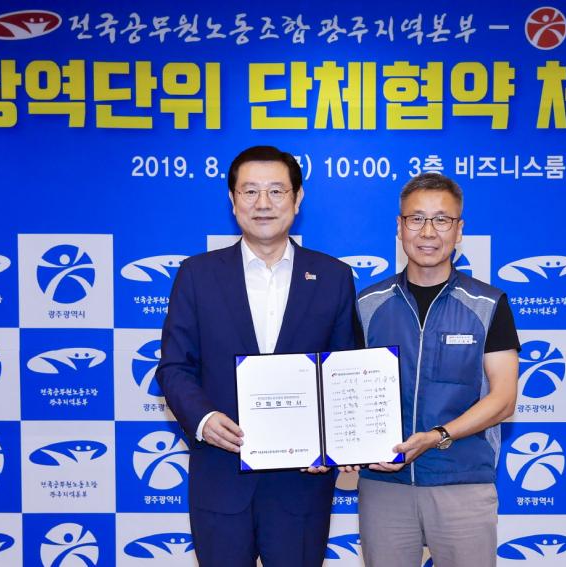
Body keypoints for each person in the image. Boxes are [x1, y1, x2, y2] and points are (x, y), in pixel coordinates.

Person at [156, 145, 359, 567]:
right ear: (233, 201)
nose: (263, 203)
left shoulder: (333, 276)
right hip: (221, 474)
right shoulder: (197, 275)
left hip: (301, 483)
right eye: (250, 192)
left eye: (276, 191)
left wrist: (333, 444)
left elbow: (345, 372)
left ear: (297, 199)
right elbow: (174, 367)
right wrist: (204, 420)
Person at [355, 173, 520, 567]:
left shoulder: (488, 304)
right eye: (416, 219)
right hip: (385, 483)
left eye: (441, 220)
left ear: (459, 230)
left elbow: (503, 399)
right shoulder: (367, 304)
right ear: (399, 227)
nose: (428, 232)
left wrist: (437, 436)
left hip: (461, 481)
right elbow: (345, 389)